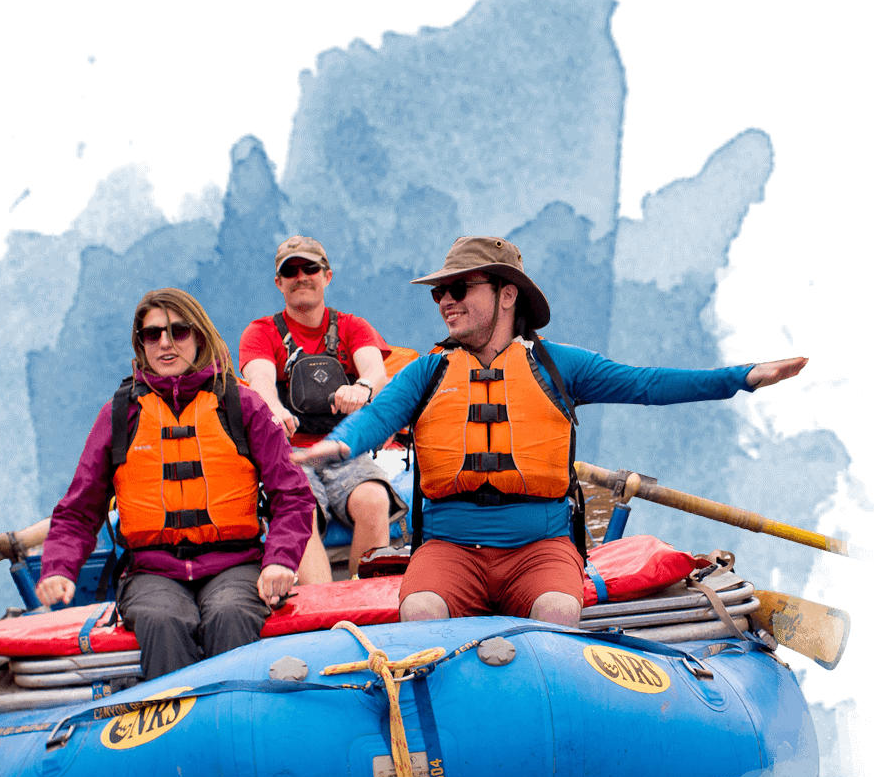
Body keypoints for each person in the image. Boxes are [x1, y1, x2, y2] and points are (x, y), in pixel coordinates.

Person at [292, 235, 808, 626]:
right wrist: (332, 448)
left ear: (507, 294)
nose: (444, 300)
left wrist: (742, 377)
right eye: (438, 293)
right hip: (448, 549)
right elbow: (374, 418)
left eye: (457, 288)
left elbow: (647, 384)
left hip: (540, 547)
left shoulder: (559, 365)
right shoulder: (427, 373)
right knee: (422, 610)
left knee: (560, 609)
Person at [36, 288, 315, 681]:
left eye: (178, 331)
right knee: (163, 620)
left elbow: (293, 497)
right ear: (141, 343)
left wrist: (281, 560)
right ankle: (177, 734)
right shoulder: (120, 414)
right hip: (152, 572)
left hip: (235, 564)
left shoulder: (242, 404)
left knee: (231, 614)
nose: (165, 343)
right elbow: (80, 509)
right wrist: (59, 570)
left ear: (199, 336)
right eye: (153, 334)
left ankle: (236, 729)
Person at [239, 235, 413, 580]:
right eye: (291, 271)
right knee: (298, 508)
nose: (301, 276)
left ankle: (361, 599)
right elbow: (259, 381)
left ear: (327, 276)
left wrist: (361, 388)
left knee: (374, 500)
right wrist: (276, 408)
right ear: (279, 282)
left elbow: (375, 370)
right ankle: (322, 608)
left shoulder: (352, 326)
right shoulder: (260, 332)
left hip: (343, 451)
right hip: (290, 455)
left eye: (310, 268)